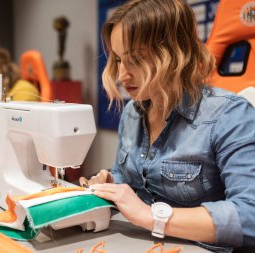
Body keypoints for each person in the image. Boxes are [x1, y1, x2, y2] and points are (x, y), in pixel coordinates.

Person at [79, 0, 255, 251]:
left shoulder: (231, 116)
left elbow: (250, 217)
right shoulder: (132, 112)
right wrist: (111, 181)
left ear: (175, 54)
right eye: (118, 59)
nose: (121, 75)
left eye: (136, 59)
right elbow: (129, 175)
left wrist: (152, 216)